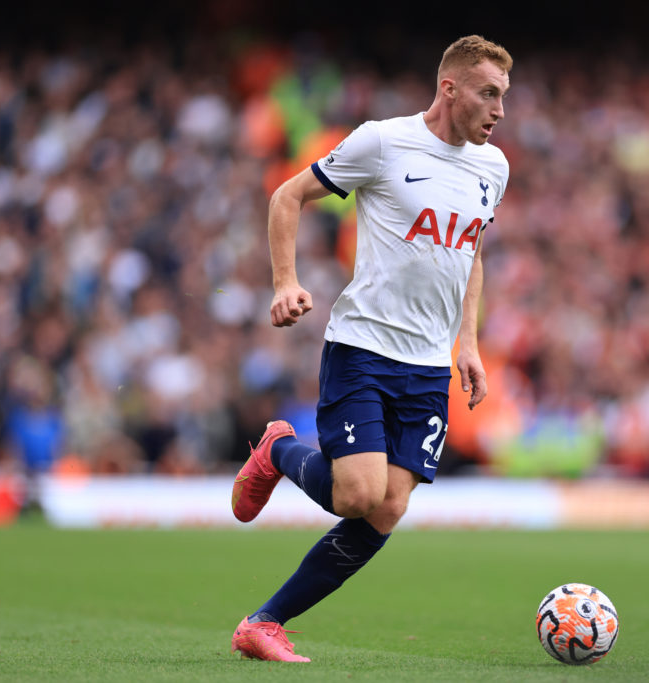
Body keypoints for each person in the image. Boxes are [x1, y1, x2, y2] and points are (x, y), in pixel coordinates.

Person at [229, 35, 512, 663]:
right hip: (363, 347)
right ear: (450, 88)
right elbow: (286, 196)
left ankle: (263, 623)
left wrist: (467, 341)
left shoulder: (493, 167)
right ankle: (279, 449)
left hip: (429, 365)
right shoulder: (383, 142)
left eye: (503, 97)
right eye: (488, 93)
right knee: (357, 495)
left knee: (387, 508)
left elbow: (472, 252)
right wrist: (285, 281)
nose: (498, 109)